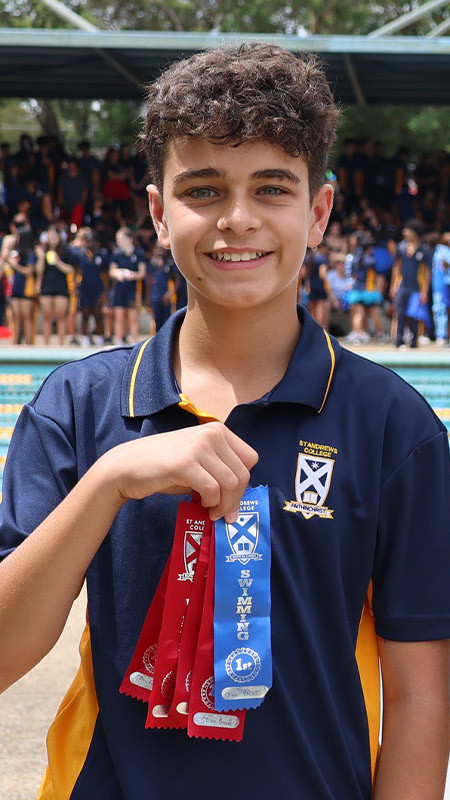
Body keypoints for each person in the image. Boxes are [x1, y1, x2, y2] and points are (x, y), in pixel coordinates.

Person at [0, 43, 449, 800]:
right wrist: (108, 483)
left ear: (318, 211)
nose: (237, 220)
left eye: (271, 188)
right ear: (157, 212)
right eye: (203, 189)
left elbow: (420, 696)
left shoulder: (392, 427)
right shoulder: (79, 406)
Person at [390, 218, 432, 348]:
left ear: (414, 232)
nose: (404, 232)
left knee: (415, 314)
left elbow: (427, 272)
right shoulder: (401, 248)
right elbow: (396, 267)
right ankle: (399, 340)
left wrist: (425, 290)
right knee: (400, 313)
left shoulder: (424, 250)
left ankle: (414, 341)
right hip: (402, 286)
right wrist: (393, 285)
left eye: (407, 230)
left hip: (417, 288)